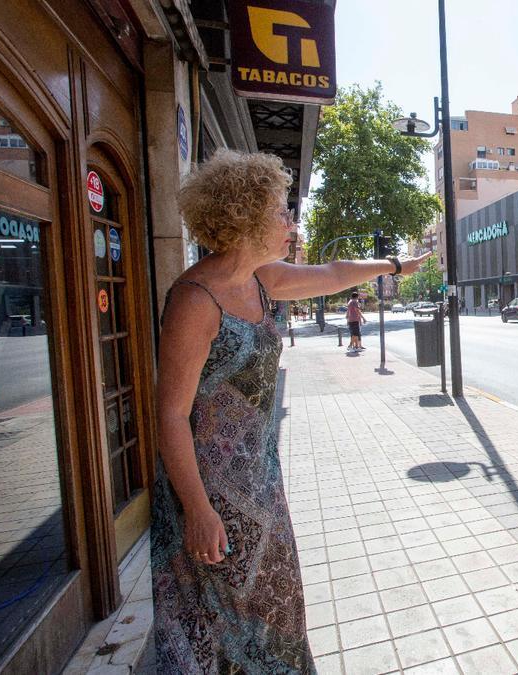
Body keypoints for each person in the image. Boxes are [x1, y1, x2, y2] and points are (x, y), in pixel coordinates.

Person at [153, 150, 428, 672]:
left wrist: (395, 266)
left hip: (259, 483)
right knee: (217, 631)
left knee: (277, 615)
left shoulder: (261, 280)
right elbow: (170, 416)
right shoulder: (195, 299)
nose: (291, 223)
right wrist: (197, 509)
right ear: (245, 216)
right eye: (281, 212)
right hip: (208, 491)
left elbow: (332, 271)